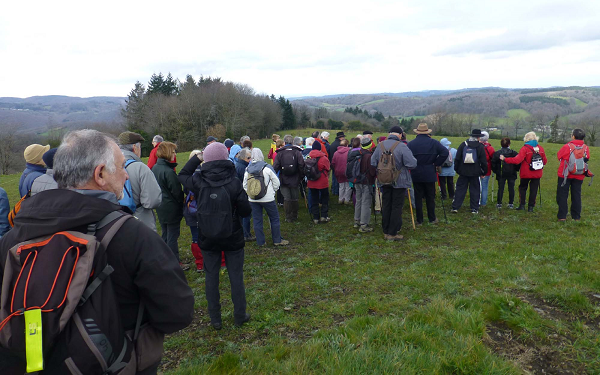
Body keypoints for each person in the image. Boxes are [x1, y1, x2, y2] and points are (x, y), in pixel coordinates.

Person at [0, 129, 194, 373]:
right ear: (100, 174)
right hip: (115, 363)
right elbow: (178, 313)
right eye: (122, 167)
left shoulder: (11, 240)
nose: (125, 175)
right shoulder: (134, 235)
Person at [178, 142, 252, 330]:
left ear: (207, 159)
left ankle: (215, 319)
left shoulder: (198, 181)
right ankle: (239, 315)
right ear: (226, 158)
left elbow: (182, 175)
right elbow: (245, 211)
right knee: (236, 276)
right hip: (232, 236)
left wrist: (197, 158)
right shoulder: (234, 182)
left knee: (211, 276)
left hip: (207, 236)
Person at [371, 126, 417, 241]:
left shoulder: (380, 146)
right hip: (399, 181)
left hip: (383, 180)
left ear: (389, 133)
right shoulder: (402, 146)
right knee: (396, 206)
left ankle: (386, 230)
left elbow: (373, 162)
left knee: (386, 204)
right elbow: (412, 163)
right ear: (400, 134)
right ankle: (392, 233)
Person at [151, 141, 187, 270]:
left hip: (161, 206)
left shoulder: (155, 168)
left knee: (165, 234)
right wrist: (181, 204)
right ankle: (174, 263)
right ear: (167, 153)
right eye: (173, 152)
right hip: (171, 208)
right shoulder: (168, 171)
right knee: (172, 236)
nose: (175, 154)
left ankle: (164, 259)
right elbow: (177, 192)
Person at [117, 131, 162, 231]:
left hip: (117, 221)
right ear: (135, 147)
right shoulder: (140, 168)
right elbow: (152, 201)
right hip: (141, 221)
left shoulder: (110, 167)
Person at [243, 149, 289, 246]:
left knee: (257, 220)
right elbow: (276, 182)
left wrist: (251, 194)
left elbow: (245, 185)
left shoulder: (247, 169)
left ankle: (261, 242)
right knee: (274, 218)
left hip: (253, 199)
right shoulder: (267, 168)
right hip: (268, 198)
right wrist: (272, 192)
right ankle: (277, 240)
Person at [407, 123, 449, 224]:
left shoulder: (411, 144)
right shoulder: (434, 143)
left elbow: (407, 157)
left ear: (417, 132)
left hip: (416, 172)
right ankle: (432, 218)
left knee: (418, 197)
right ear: (427, 132)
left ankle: (419, 220)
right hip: (430, 172)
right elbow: (445, 152)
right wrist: (436, 163)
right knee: (430, 197)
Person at [500, 131, 547, 212]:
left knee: (522, 188)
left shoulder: (525, 148)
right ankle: (531, 207)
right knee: (533, 190)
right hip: (537, 173)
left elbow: (517, 160)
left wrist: (505, 159)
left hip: (526, 172)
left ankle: (522, 205)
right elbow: (545, 161)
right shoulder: (541, 148)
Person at [556, 128, 590, 221]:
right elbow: (587, 158)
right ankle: (576, 217)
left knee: (562, 195)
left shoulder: (567, 146)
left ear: (573, 136)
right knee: (576, 195)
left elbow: (559, 155)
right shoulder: (586, 148)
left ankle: (562, 216)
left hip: (565, 174)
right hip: (579, 175)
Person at [451, 129, 488, 214]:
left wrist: (457, 169)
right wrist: (483, 172)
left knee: (460, 189)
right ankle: (474, 208)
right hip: (475, 172)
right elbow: (483, 162)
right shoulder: (480, 147)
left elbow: (457, 159)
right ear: (478, 137)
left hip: (463, 171)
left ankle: (455, 207)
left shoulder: (463, 145)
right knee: (475, 190)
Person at [273, 135, 305, 222]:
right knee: (294, 198)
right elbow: (301, 165)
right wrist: (301, 176)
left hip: (284, 178)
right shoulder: (297, 152)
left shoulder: (280, 153)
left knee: (287, 198)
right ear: (292, 142)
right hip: (295, 178)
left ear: (284, 142)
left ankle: (288, 217)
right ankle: (294, 215)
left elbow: (275, 167)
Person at [349, 137, 377, 232]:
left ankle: (356, 220)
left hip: (357, 180)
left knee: (359, 200)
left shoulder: (357, 154)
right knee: (366, 202)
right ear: (370, 146)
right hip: (366, 181)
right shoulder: (369, 156)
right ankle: (364, 225)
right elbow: (372, 171)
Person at [491, 137, 519, 208]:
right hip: (511, 173)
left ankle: (499, 203)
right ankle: (511, 203)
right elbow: (518, 162)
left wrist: (496, 171)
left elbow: (493, 163)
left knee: (500, 188)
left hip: (501, 173)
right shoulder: (514, 153)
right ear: (509, 144)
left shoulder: (497, 153)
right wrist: (516, 169)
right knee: (511, 188)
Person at [307, 141, 331, 224]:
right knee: (324, 199)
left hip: (311, 181)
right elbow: (328, 168)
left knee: (314, 199)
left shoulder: (308, 157)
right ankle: (324, 216)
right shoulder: (323, 158)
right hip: (322, 181)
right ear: (320, 148)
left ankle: (315, 217)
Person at [235, 148, 254, 241]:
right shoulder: (242, 168)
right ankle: (246, 235)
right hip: (242, 194)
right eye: (249, 158)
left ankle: (244, 233)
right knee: (246, 215)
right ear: (244, 158)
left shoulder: (239, 164)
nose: (250, 160)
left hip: (239, 193)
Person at [331, 139, 351, 204]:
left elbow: (333, 162)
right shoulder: (349, 152)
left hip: (338, 170)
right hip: (347, 170)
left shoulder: (336, 153)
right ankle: (346, 200)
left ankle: (340, 199)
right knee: (348, 186)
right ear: (347, 145)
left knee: (341, 185)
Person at [479, 131, 495, 206]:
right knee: (484, 186)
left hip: (476, 169)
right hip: (487, 169)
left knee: (476, 186)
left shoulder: (476, 147)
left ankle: (476, 201)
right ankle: (483, 203)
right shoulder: (490, 148)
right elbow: (493, 159)